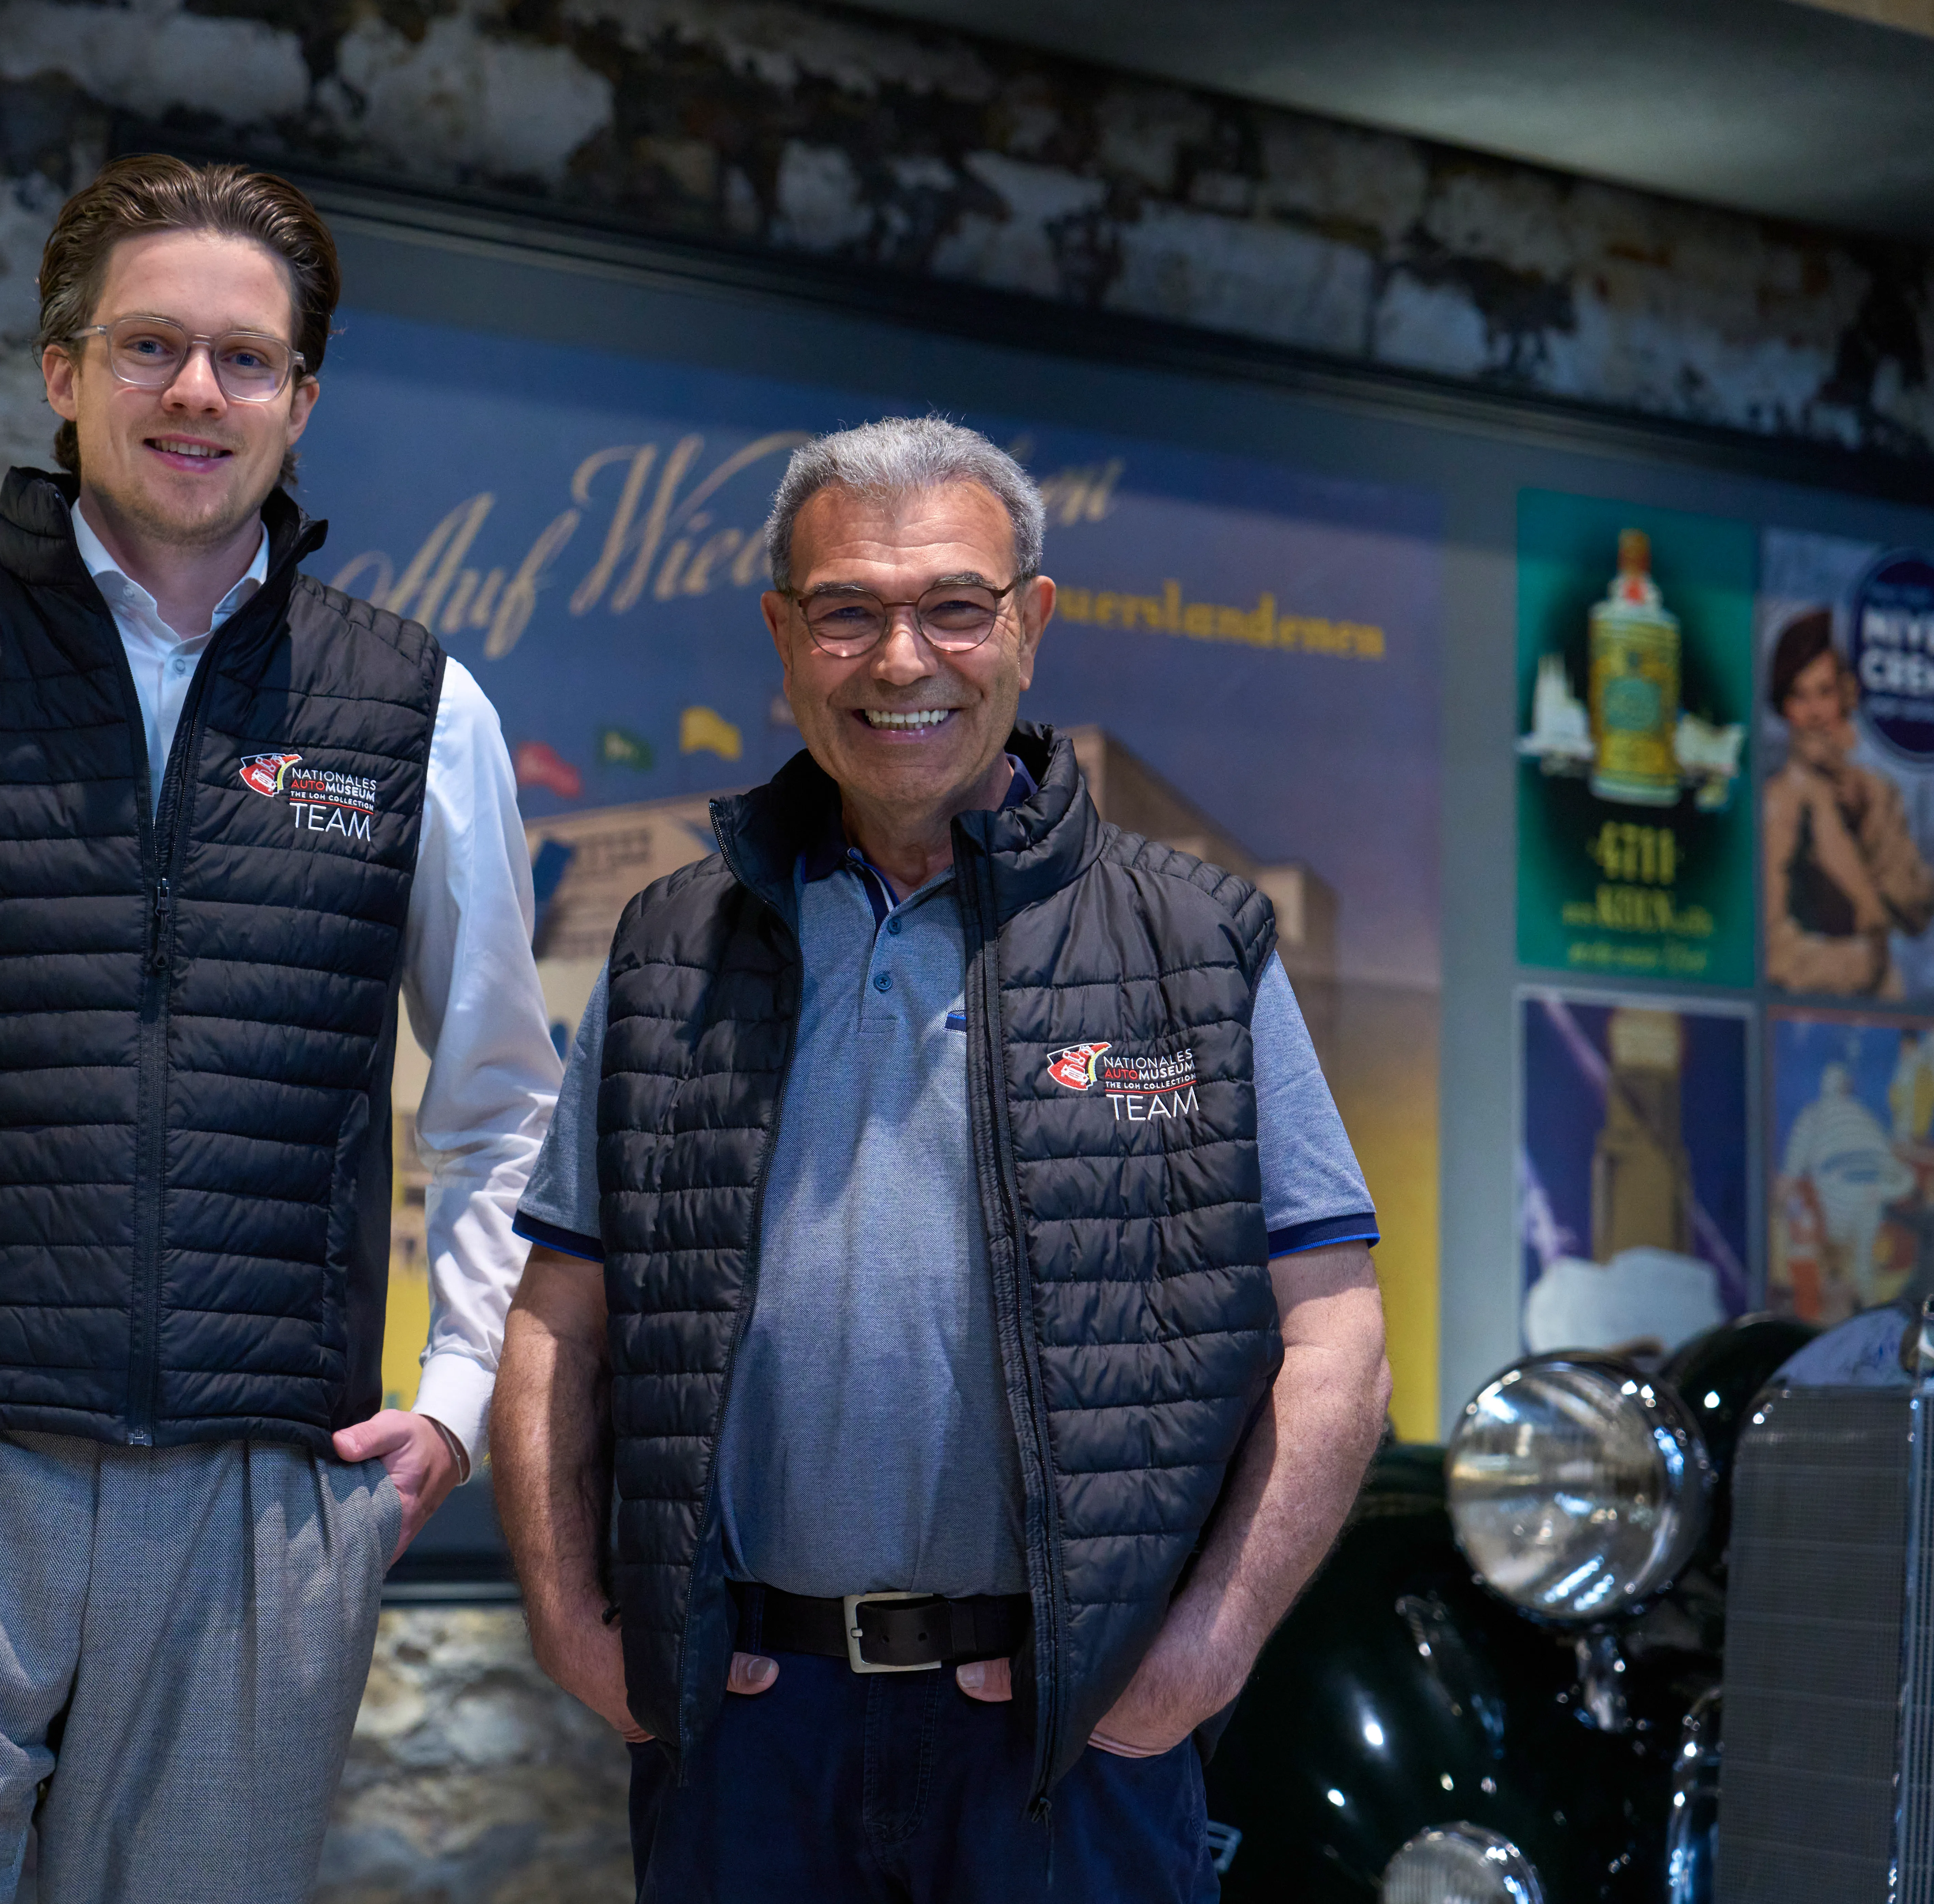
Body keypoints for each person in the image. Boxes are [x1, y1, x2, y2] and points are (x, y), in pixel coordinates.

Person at [0, 155, 559, 1902]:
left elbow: (508, 1104)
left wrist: (452, 1394)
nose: (197, 390)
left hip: (258, 1505)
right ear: (64, 373)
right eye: (149, 346)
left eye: (245, 358)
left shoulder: (419, 712)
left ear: (300, 400)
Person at [490, 416, 1392, 1902]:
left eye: (954, 607)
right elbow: (556, 1321)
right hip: (750, 1737)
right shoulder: (668, 946)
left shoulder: (1192, 942)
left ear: (1030, 624)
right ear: (783, 637)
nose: (901, 660)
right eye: (846, 610)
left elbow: (1333, 1330)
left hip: (1065, 1743)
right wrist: (569, 1619)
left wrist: (1211, 1642)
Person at [1763, 606, 1934, 996]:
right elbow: (1770, 948)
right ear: (1785, 708)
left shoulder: (1875, 793)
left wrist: (1868, 820)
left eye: (1825, 692)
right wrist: (1860, 963)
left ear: (1846, 696)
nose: (1815, 713)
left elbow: (1916, 909)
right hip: (1809, 1011)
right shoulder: (1781, 802)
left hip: (1888, 1008)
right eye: (1799, 696)